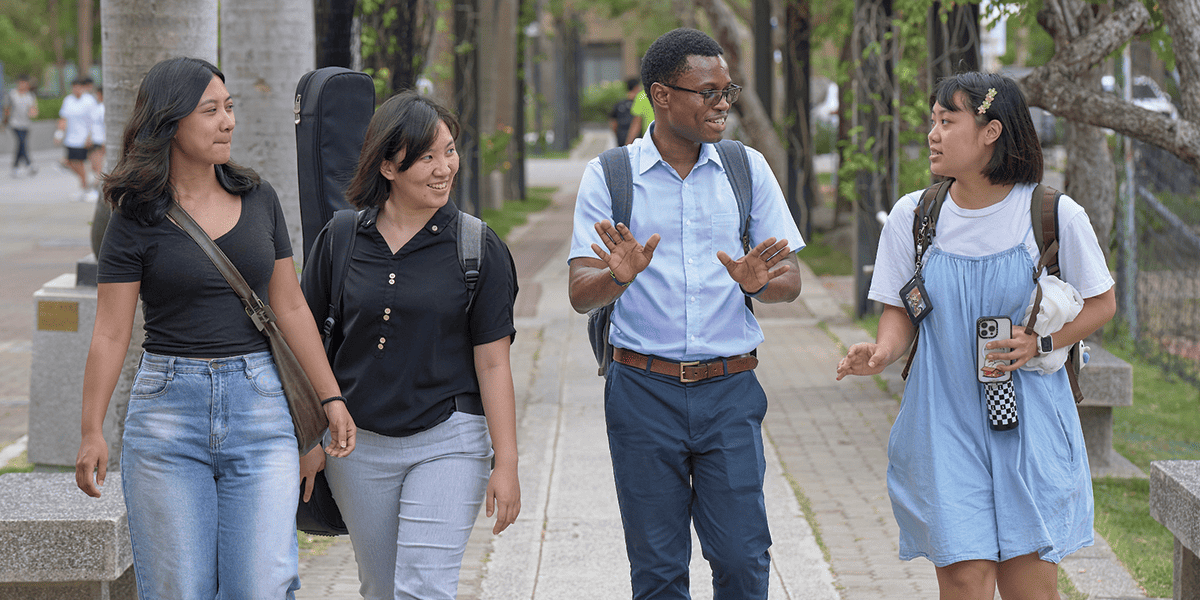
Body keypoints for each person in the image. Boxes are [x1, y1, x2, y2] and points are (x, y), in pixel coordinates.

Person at [73, 57, 356, 600]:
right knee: (180, 588)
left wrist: (330, 399)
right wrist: (91, 430)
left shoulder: (259, 197)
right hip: (167, 415)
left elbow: (291, 307)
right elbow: (110, 332)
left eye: (229, 107)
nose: (228, 121)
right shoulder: (134, 216)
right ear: (170, 121)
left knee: (262, 585)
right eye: (210, 111)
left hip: (260, 407)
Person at [836, 71, 1115, 600]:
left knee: (1028, 587)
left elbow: (1103, 304)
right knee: (965, 581)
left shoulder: (1052, 214)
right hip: (943, 418)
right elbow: (899, 311)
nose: (933, 134)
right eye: (933, 121)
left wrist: (1041, 344)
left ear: (991, 132)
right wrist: (881, 351)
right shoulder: (915, 217)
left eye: (948, 121)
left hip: (1029, 422)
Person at [567, 27, 804, 599]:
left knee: (744, 560)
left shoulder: (746, 169)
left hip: (730, 391)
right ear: (662, 95)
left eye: (728, 91)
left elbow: (790, 281)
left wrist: (761, 283)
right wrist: (618, 276)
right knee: (658, 572)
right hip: (642, 393)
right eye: (708, 92)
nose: (723, 104)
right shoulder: (610, 175)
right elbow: (579, 293)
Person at [301, 91, 521, 600]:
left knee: (425, 587)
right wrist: (309, 438)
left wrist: (506, 462)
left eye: (449, 151)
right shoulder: (340, 239)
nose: (444, 168)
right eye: (426, 157)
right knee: (380, 588)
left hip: (450, 439)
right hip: (355, 446)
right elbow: (304, 341)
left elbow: (493, 364)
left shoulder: (477, 246)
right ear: (387, 166)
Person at [56, 77, 97, 201]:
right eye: (74, 87)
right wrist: (59, 133)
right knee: (70, 162)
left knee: (80, 163)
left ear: (83, 88)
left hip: (83, 138)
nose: (76, 89)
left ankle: (85, 187)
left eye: (79, 87)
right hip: (70, 138)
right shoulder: (68, 100)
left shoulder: (89, 100)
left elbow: (93, 120)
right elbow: (64, 118)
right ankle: (85, 183)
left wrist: (90, 136)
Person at [5, 75, 38, 177]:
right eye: (21, 83)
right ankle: (29, 164)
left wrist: (33, 113)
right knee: (22, 142)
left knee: (21, 145)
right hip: (14, 123)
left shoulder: (30, 96)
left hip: (26, 124)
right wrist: (4, 121)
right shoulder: (12, 95)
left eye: (25, 83)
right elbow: (7, 108)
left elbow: (34, 109)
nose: (23, 85)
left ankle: (15, 167)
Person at [609, 77, 640, 147]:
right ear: (636, 87)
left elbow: (613, 123)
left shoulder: (619, 104)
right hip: (637, 139)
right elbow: (637, 123)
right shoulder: (639, 104)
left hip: (621, 137)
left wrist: (617, 134)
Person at [88, 84, 106, 185]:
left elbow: (105, 126)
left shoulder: (103, 108)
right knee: (94, 166)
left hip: (100, 141)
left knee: (98, 167)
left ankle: (97, 187)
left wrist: (104, 141)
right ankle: (96, 186)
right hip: (95, 140)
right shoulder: (98, 107)